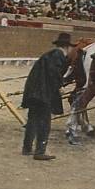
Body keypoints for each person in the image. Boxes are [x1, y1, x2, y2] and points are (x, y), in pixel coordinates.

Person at [21, 32, 76, 160]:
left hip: (34, 92)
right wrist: (60, 86)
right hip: (43, 93)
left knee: (32, 120)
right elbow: (54, 72)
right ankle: (40, 152)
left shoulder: (49, 54)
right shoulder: (58, 55)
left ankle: (27, 148)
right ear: (67, 47)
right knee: (44, 122)